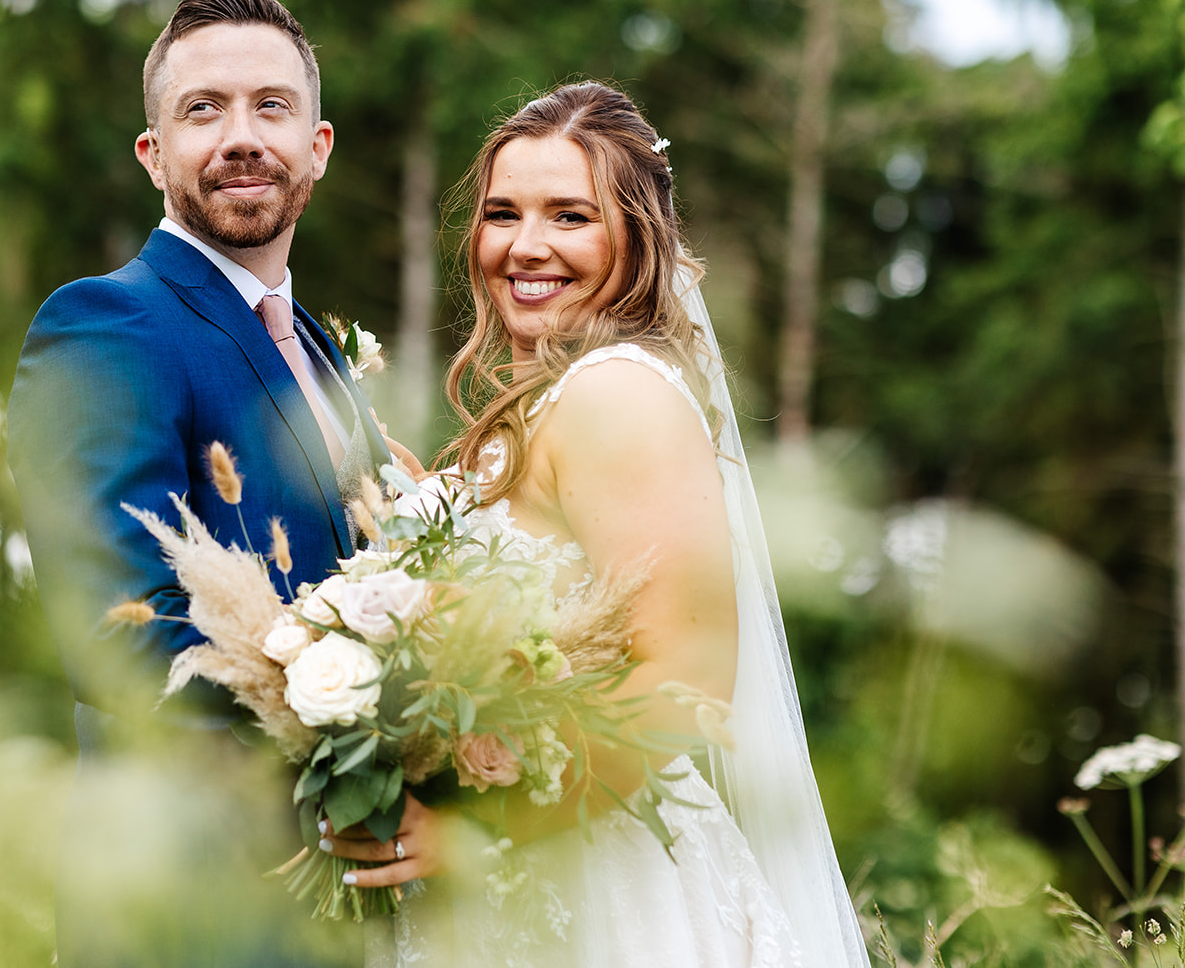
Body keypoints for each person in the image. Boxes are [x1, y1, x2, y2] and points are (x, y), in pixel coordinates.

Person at [324, 82, 870, 967]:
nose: (525, 245)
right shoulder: (556, 401)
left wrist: (492, 826)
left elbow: (684, 686)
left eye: (569, 216)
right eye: (503, 213)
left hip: (601, 898)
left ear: (635, 236)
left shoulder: (616, 394)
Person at [7, 0, 396, 967]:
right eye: (202, 110)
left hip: (355, 906)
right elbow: (120, 629)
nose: (240, 136)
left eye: (271, 106)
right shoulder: (106, 323)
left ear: (318, 146)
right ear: (153, 155)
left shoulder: (322, 352)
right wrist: (372, 733)